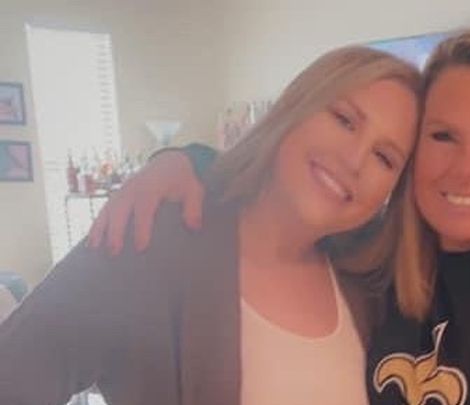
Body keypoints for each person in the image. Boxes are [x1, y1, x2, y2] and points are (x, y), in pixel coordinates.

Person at [87, 27, 470, 404]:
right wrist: (185, 160)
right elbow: (280, 192)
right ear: (410, 154)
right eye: (443, 137)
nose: (467, 170)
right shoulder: (372, 258)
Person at [0, 46, 422, 405]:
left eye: (384, 158)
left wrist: (189, 158)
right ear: (295, 109)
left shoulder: (369, 283)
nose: (355, 160)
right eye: (344, 120)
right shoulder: (155, 237)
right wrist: (179, 159)